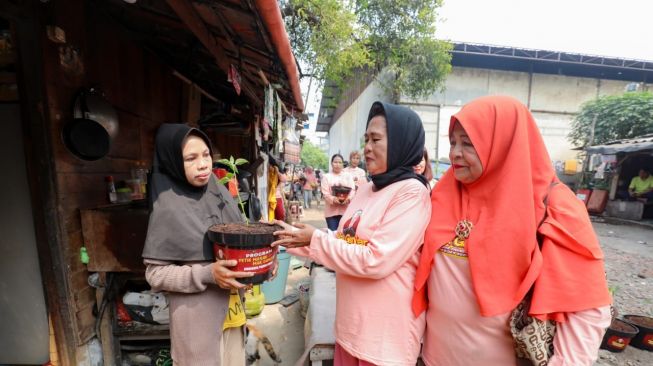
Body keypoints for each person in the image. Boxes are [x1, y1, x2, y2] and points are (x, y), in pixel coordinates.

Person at [412, 96, 612, 366]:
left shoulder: (553, 205)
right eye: (453, 142)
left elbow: (586, 306)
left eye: (468, 143)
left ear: (504, 144)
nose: (455, 153)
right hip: (434, 358)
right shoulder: (444, 193)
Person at [272, 102, 432, 365]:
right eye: (366, 138)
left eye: (376, 139)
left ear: (402, 143)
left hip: (384, 341)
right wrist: (283, 236)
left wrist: (315, 239)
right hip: (350, 329)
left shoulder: (412, 193)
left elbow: (375, 260)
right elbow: (343, 240)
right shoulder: (368, 188)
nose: (367, 147)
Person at [142, 124, 253, 365]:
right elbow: (155, 274)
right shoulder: (168, 207)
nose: (203, 164)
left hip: (233, 315)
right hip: (197, 324)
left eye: (206, 155)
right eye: (190, 158)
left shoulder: (218, 192)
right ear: (172, 162)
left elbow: (237, 245)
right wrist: (207, 274)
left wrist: (261, 262)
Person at [320, 154, 356, 230]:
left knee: (343, 235)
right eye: (335, 162)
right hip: (331, 213)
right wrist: (333, 199)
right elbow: (325, 193)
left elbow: (352, 190)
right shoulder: (326, 177)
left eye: (340, 162)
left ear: (343, 164)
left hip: (345, 212)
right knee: (333, 235)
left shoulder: (348, 176)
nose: (337, 164)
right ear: (331, 163)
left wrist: (348, 198)